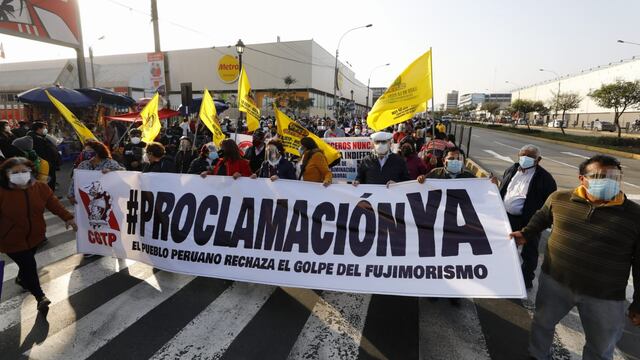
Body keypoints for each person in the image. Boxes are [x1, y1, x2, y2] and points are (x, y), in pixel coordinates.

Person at [510, 155, 640, 360]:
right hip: (556, 283)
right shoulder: (559, 199)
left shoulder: (635, 215)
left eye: (614, 176)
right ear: (582, 179)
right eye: (599, 176)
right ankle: (537, 355)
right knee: (543, 324)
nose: (608, 180)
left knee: (601, 345)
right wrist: (526, 233)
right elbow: (542, 217)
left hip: (605, 296)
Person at [0, 157, 77, 311]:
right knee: (29, 264)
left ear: (31, 172)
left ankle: (22, 279)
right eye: (15, 172)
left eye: (24, 171)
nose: (20, 175)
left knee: (26, 264)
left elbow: (54, 204)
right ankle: (39, 296)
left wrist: (68, 218)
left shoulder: (40, 188)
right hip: (10, 239)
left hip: (36, 236)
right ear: (6, 174)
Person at [499, 144, 557, 289]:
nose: (525, 158)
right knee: (505, 248)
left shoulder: (545, 178)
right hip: (507, 218)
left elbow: (550, 203)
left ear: (538, 159)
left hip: (530, 221)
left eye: (530, 156)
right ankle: (503, 274)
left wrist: (541, 222)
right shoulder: (512, 169)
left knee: (529, 252)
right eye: (523, 155)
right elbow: (504, 189)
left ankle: (526, 280)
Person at [68, 140, 125, 204]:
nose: (86, 153)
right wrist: (71, 195)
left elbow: (123, 172)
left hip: (104, 199)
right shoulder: (83, 164)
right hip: (87, 199)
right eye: (85, 151)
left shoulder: (109, 162)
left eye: (89, 151)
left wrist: (111, 172)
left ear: (98, 152)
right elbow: (75, 179)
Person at [28, 122, 60, 192]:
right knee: (47, 181)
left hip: (49, 163)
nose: (45, 129)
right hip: (45, 164)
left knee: (50, 180)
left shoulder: (41, 136)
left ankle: (50, 194)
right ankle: (48, 196)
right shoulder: (35, 138)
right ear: (39, 129)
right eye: (44, 128)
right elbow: (41, 152)